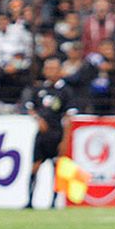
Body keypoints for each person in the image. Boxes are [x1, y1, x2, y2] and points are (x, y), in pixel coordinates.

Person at [25, 57, 77, 209]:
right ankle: (29, 200)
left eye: (54, 68)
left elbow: (69, 117)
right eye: (48, 68)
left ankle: (54, 202)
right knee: (35, 166)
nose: (50, 71)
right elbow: (30, 107)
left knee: (56, 169)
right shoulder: (40, 89)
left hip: (56, 134)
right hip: (41, 136)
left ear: (60, 71)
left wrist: (65, 140)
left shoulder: (66, 91)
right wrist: (37, 118)